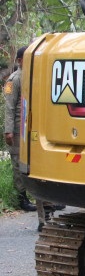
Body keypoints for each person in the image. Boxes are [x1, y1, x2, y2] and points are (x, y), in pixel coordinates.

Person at [4, 47, 36, 212]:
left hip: (29, 129)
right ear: (19, 60)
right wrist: (8, 131)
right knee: (18, 163)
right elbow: (9, 107)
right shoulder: (14, 79)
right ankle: (20, 197)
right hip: (17, 130)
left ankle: (37, 197)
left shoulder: (31, 76)